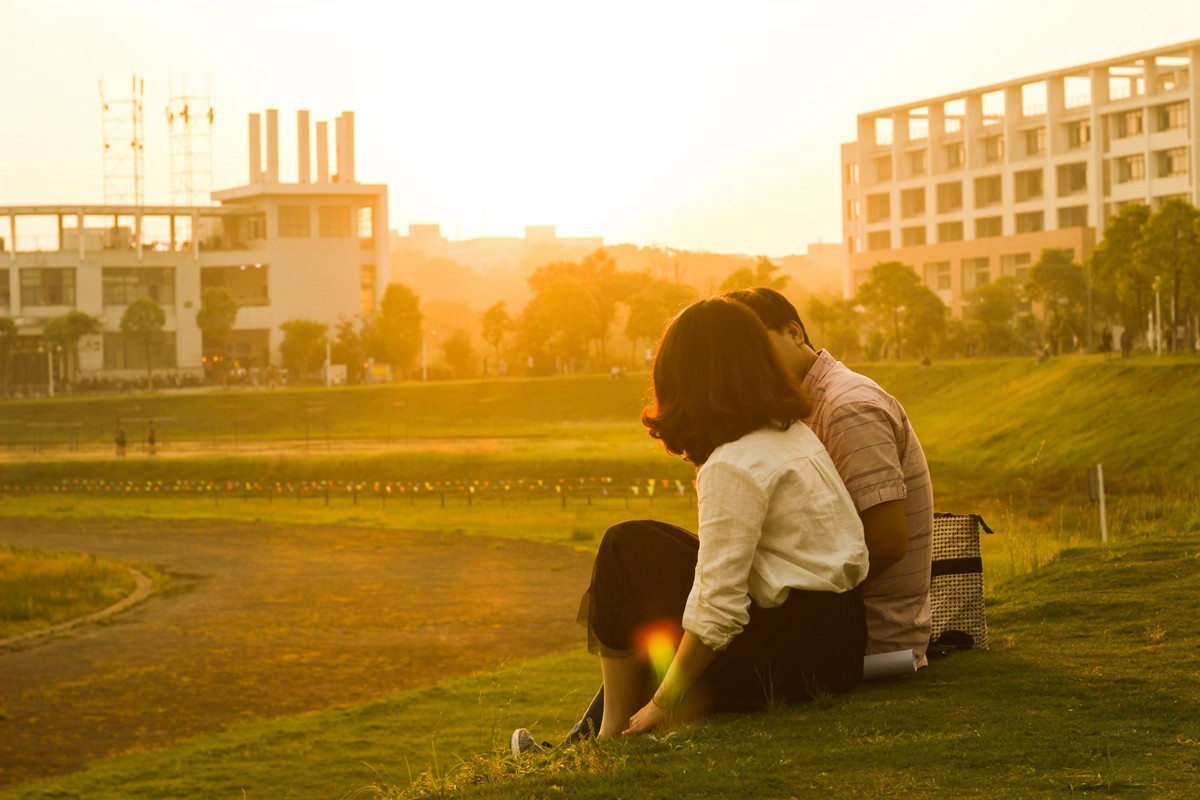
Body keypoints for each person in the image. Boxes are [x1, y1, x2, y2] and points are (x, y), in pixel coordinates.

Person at [522, 287, 934, 750]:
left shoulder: (738, 460)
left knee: (625, 548)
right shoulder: (796, 434)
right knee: (645, 551)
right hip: (835, 644)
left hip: (793, 663)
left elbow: (718, 603)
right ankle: (596, 732)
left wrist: (665, 699)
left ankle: (610, 735)